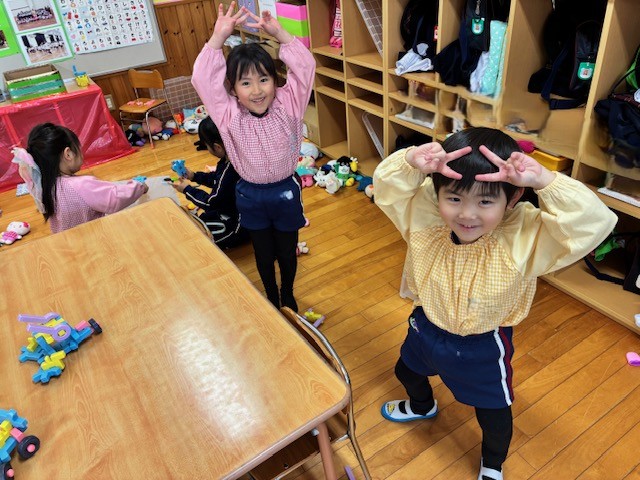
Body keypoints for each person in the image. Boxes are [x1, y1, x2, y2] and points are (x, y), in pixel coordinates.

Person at [373, 127, 618, 480]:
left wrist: (546, 181)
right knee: (406, 371)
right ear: (436, 192)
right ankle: (422, 406)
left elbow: (593, 223)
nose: (467, 214)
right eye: (454, 198)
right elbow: (388, 188)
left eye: (485, 202)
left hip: (482, 344)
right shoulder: (423, 213)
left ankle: (492, 464)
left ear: (513, 197)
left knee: (493, 414)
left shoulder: (525, 235)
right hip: (425, 324)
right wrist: (410, 162)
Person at [192, 2, 315, 311]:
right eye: (245, 83)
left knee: (286, 251)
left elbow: (305, 68)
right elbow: (203, 79)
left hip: (285, 192)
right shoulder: (227, 114)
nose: (257, 90)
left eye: (263, 79)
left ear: (275, 80)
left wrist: (281, 34)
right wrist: (218, 38)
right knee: (263, 253)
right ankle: (271, 295)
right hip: (250, 195)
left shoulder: (289, 103)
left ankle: (287, 293)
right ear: (233, 89)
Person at [12, 123, 148, 234]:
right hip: (96, 240)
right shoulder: (81, 185)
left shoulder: (42, 186)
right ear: (68, 154)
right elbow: (115, 198)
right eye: (78, 147)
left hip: (68, 244)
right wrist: (139, 186)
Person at [171, 116, 247, 249]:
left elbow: (211, 203)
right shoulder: (232, 161)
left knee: (199, 238)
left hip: (238, 226)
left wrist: (187, 190)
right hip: (238, 212)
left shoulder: (229, 171)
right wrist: (194, 176)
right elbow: (217, 179)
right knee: (202, 219)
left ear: (217, 147)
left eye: (206, 145)